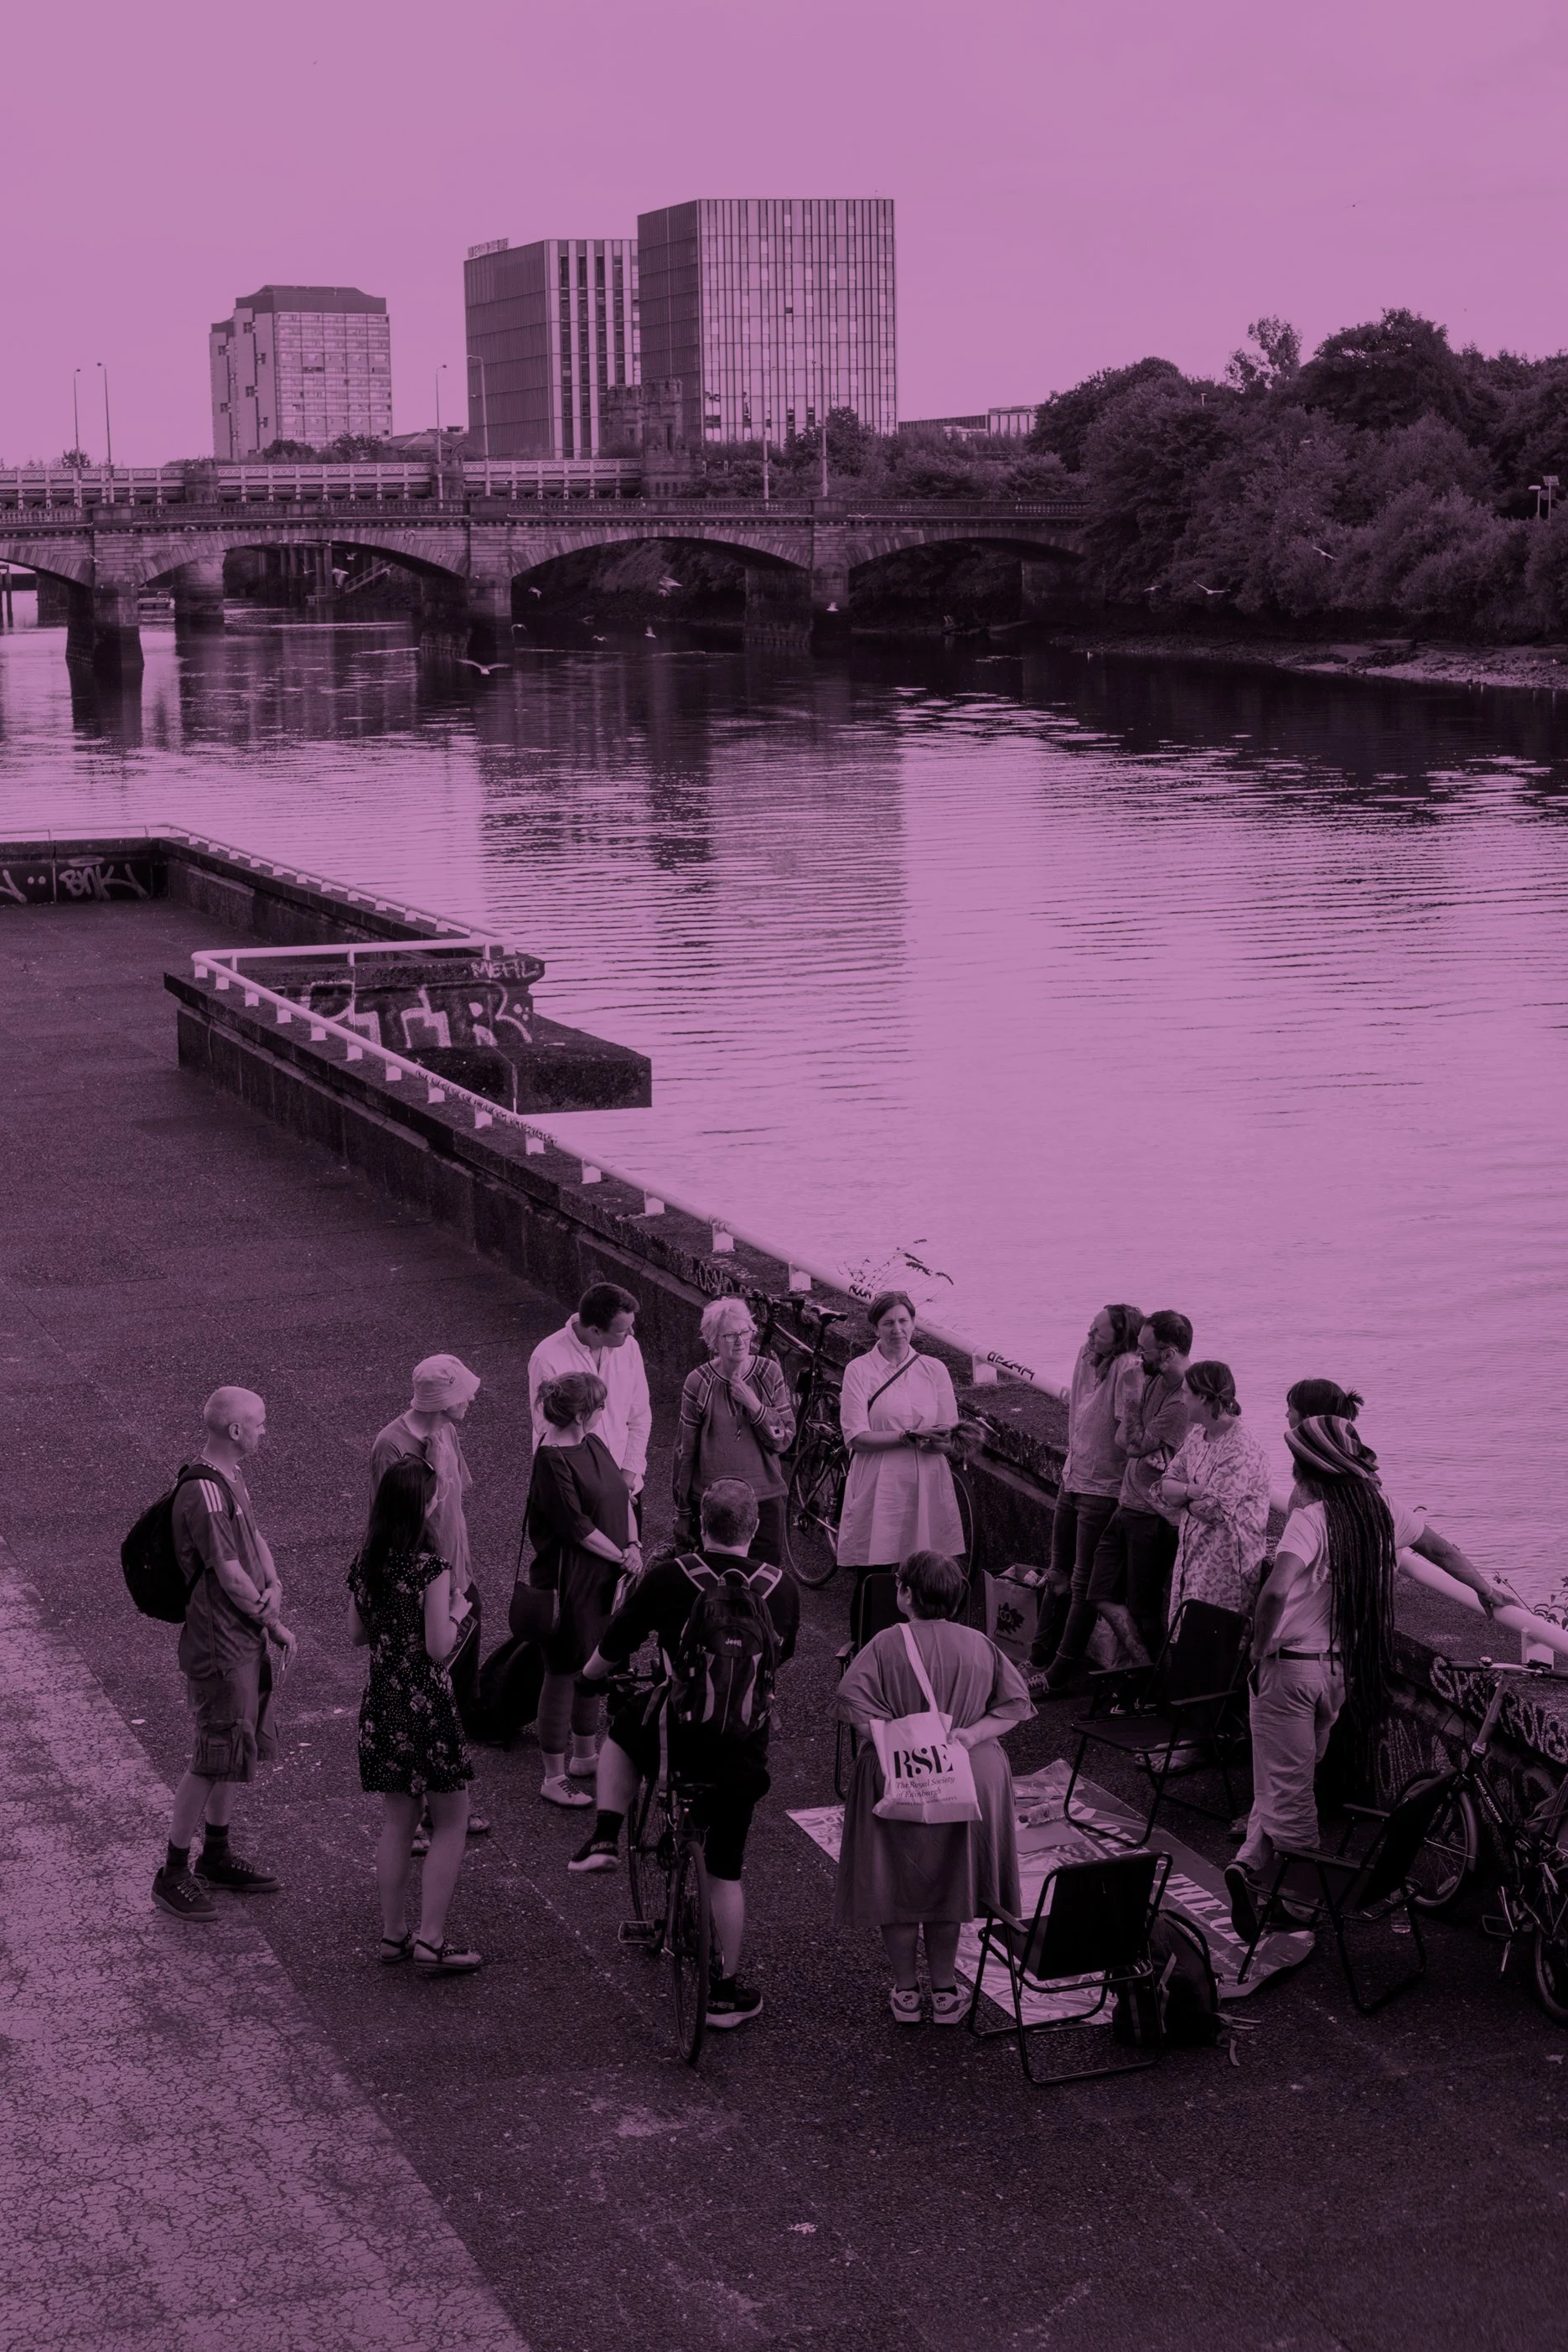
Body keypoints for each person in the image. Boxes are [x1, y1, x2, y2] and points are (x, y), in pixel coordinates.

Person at [1225, 1412, 1510, 1942]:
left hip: (1290, 1673)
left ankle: (1300, 1901)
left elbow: (1274, 1590)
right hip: (1338, 1673)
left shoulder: (1310, 1519)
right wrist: (1485, 1591)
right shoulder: (1379, 1509)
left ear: (1308, 1468)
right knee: (1286, 1770)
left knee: (1289, 1790)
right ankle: (1247, 1863)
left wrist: (1260, 1649)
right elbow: (1440, 1549)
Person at [572, 1479, 800, 2029]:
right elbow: (779, 1657)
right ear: (753, 1529)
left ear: (702, 1525)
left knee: (625, 1733)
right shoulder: (781, 1589)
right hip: (743, 1749)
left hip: (677, 1734)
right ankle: (724, 1992)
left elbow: (616, 1642)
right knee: (725, 1871)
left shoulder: (673, 1577)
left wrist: (588, 1679)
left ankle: (605, 1831)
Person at [834, 1549, 1032, 2025]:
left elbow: (852, 1705)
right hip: (968, 1774)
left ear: (905, 1594)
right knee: (951, 1882)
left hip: (900, 1773)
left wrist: (895, 1735)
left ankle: (906, 1992)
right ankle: (945, 1991)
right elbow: (1014, 1705)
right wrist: (970, 1734)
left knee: (897, 1884)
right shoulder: (981, 1645)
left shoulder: (884, 1644)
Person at [153, 1386, 296, 1924]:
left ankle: (214, 1853)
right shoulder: (208, 1494)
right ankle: (172, 1871)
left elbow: (254, 1540)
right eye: (258, 1422)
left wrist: (276, 1583)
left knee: (232, 1749)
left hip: (239, 1639)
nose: (265, 1430)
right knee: (212, 1756)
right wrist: (272, 1618)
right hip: (220, 1645)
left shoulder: (228, 1478)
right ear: (235, 1431)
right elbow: (231, 1574)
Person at [349, 1458, 479, 1973]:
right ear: (422, 1505)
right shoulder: (431, 1569)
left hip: (382, 1700)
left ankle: (392, 1934)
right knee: (452, 1820)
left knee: (398, 1819)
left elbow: (357, 1635)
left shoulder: (367, 1562)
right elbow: (438, 1645)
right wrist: (457, 1609)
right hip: (425, 1703)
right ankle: (431, 1940)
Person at [370, 1352, 489, 1841]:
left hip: (455, 1578)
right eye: (465, 1393)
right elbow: (394, 1526)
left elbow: (455, 1502)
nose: (473, 1399)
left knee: (455, 1697)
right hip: (424, 1587)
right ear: (445, 1399)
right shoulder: (391, 1445)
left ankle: (444, 1806)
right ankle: (420, 1814)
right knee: (424, 1701)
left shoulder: (446, 1431)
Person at [1044, 1309, 1194, 1689]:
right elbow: (1126, 1440)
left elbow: (1129, 1442)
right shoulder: (1157, 1381)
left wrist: (1130, 1392)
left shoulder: (1178, 1402)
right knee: (1096, 1591)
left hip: (1149, 1512)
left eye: (1145, 1351)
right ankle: (1142, 1675)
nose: (1138, 1358)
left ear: (1169, 1352)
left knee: (1142, 1607)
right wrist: (1141, 1442)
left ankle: (1151, 1684)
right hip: (1125, 1501)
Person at [524, 1370, 640, 1805]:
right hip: (571, 1579)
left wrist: (632, 1543)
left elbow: (622, 1497)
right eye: (598, 1405)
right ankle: (553, 1776)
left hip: (605, 1573)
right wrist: (623, 1554)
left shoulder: (592, 1443)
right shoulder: (552, 1459)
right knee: (563, 1672)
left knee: (596, 1663)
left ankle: (585, 1755)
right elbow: (577, 1528)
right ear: (578, 1413)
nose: (604, 1411)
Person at [1024, 1303, 1144, 1696]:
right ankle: (1037, 1655)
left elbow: (1126, 1430)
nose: (1089, 1337)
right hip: (1072, 1476)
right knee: (1056, 1572)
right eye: (1091, 1329)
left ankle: (1057, 1673)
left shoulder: (1128, 1367)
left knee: (1082, 1585)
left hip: (1102, 1488)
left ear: (1121, 1337)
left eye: (1098, 1332)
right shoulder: (1085, 1354)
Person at [836, 1292, 964, 1619]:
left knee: (926, 1574)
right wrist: (908, 1437)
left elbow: (949, 1434)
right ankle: (867, 1647)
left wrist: (936, 1441)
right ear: (876, 1328)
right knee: (874, 1573)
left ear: (913, 1324)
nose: (897, 1330)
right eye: (888, 1323)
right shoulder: (859, 1370)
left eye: (903, 1321)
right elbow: (856, 1437)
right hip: (880, 1482)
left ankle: (920, 1648)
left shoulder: (934, 1370)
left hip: (925, 1480)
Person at [673, 1298, 795, 1561]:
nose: (740, 1341)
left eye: (745, 1332)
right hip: (713, 1500)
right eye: (729, 1335)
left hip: (764, 1499)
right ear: (712, 1340)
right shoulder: (698, 1381)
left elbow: (784, 1440)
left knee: (765, 1580)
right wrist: (683, 1511)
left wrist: (753, 1404)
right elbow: (685, 1450)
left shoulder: (769, 1372)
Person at [1158, 1360, 1273, 1624]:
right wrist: (1194, 1491)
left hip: (1226, 1574)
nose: (1181, 1399)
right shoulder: (1199, 1435)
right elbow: (1166, 1485)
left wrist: (1183, 1499)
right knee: (1186, 1644)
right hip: (1194, 1561)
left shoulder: (1240, 1448)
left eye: (1186, 1393)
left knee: (1214, 1653)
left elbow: (1215, 1511)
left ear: (1203, 1397)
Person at [529, 1282, 652, 1523]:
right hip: (577, 1491)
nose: (632, 1334)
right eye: (623, 1330)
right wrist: (602, 1489)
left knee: (631, 1557)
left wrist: (625, 1481)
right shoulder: (546, 1358)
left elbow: (640, 1416)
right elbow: (548, 1430)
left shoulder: (630, 1348)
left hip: (626, 1485)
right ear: (596, 1331)